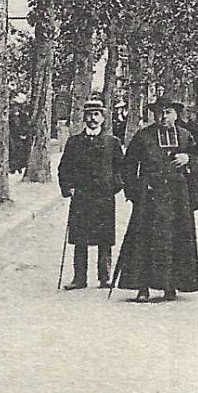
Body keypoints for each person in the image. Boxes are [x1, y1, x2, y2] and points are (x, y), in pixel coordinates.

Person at [115, 99, 198, 302]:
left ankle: (170, 286)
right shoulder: (143, 136)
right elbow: (128, 166)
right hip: (150, 196)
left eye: (168, 112)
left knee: (175, 239)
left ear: (176, 115)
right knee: (144, 241)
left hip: (177, 198)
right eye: (159, 113)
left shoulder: (185, 136)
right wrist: (136, 190)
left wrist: (188, 160)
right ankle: (143, 287)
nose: (163, 117)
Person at [58, 98, 125, 290]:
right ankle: (79, 278)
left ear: (103, 118)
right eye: (89, 114)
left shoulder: (112, 142)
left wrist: (115, 185)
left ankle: (105, 277)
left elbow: (120, 168)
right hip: (82, 196)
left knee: (105, 239)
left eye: (96, 114)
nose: (92, 118)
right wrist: (68, 187)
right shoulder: (74, 142)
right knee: (80, 238)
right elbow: (65, 168)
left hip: (104, 197)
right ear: (84, 117)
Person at [8, 91, 33, 173]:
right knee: (13, 149)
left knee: (22, 149)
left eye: (17, 106)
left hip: (22, 136)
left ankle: (19, 166)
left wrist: (24, 133)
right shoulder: (10, 116)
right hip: (13, 136)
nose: (15, 108)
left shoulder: (23, 116)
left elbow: (26, 125)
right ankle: (13, 166)